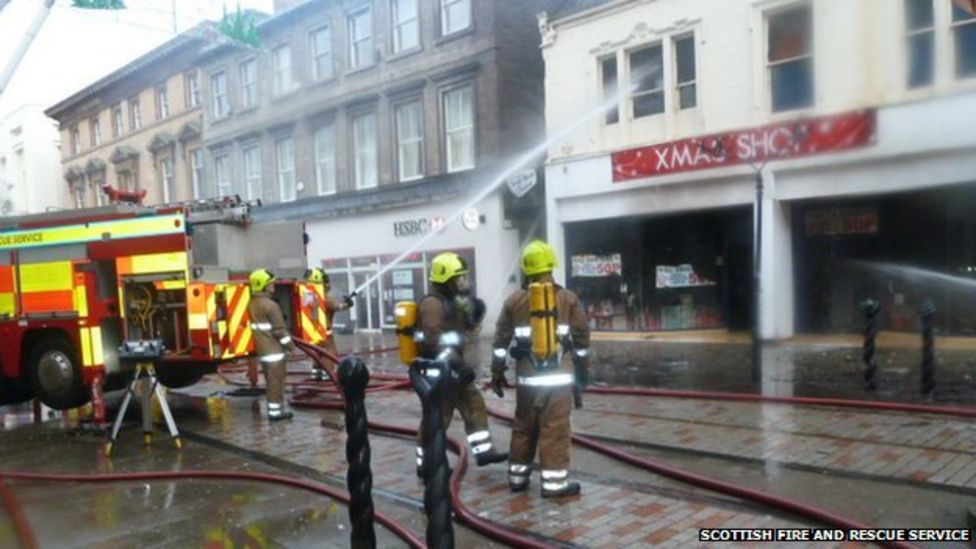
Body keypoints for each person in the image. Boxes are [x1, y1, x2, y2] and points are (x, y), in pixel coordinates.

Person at [491, 240, 591, 498]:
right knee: (555, 429)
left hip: (528, 378)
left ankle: (517, 477)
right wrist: (583, 371)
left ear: (526, 269)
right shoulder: (568, 299)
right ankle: (554, 484)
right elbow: (582, 339)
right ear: (551, 266)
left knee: (523, 426)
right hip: (559, 379)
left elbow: (500, 342)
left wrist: (496, 373)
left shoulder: (514, 301)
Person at [414, 252, 507, 476]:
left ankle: (483, 451)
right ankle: (426, 463)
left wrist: (475, 310)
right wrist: (457, 365)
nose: (463, 281)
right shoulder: (432, 304)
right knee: (439, 416)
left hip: (454, 370)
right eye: (459, 277)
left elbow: (468, 325)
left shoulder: (452, 301)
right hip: (439, 371)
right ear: (446, 279)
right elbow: (433, 340)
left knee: (474, 404)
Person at [248, 268, 295, 421]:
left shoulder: (252, 304)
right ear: (263, 285)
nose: (273, 286)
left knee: (271, 382)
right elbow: (280, 331)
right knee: (276, 383)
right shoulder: (271, 305)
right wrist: (291, 347)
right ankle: (275, 413)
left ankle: (276, 411)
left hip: (263, 351)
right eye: (270, 283)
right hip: (274, 352)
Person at [305, 267, 353, 379]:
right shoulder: (324, 296)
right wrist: (348, 304)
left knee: (317, 352)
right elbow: (337, 307)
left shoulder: (308, 296)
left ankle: (316, 373)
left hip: (314, 330)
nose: (327, 282)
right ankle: (327, 373)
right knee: (329, 353)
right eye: (324, 279)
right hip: (326, 332)